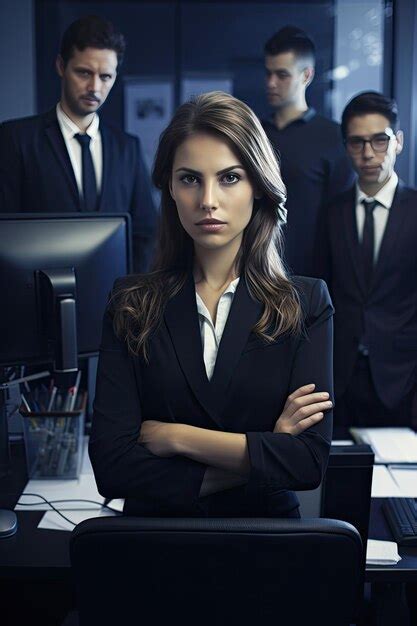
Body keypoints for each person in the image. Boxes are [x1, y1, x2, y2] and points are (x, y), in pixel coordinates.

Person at [90, 91, 334, 518]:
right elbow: (111, 468)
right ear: (170, 187)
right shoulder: (131, 303)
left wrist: (178, 437)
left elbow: (308, 462)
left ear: (257, 184)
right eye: (189, 178)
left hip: (267, 547)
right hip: (155, 545)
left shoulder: (306, 304)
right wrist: (263, 450)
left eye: (229, 177)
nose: (207, 200)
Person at [0, 15, 157, 272]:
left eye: (105, 77)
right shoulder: (16, 139)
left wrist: (131, 299)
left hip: (115, 300)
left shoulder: (127, 148)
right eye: (84, 73)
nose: (94, 87)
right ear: (61, 66)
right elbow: (5, 232)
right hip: (37, 296)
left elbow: (145, 234)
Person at [314, 91, 417, 428]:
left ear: (398, 142)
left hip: (404, 378)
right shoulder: (331, 212)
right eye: (357, 143)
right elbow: (322, 289)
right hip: (340, 379)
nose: (368, 153)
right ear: (346, 147)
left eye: (379, 141)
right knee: (344, 477)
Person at [262, 26, 354, 276]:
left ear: (307, 75)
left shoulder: (334, 138)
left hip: (311, 279)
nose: (271, 83)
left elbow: (343, 226)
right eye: (268, 73)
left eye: (282, 75)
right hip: (253, 273)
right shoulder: (253, 134)